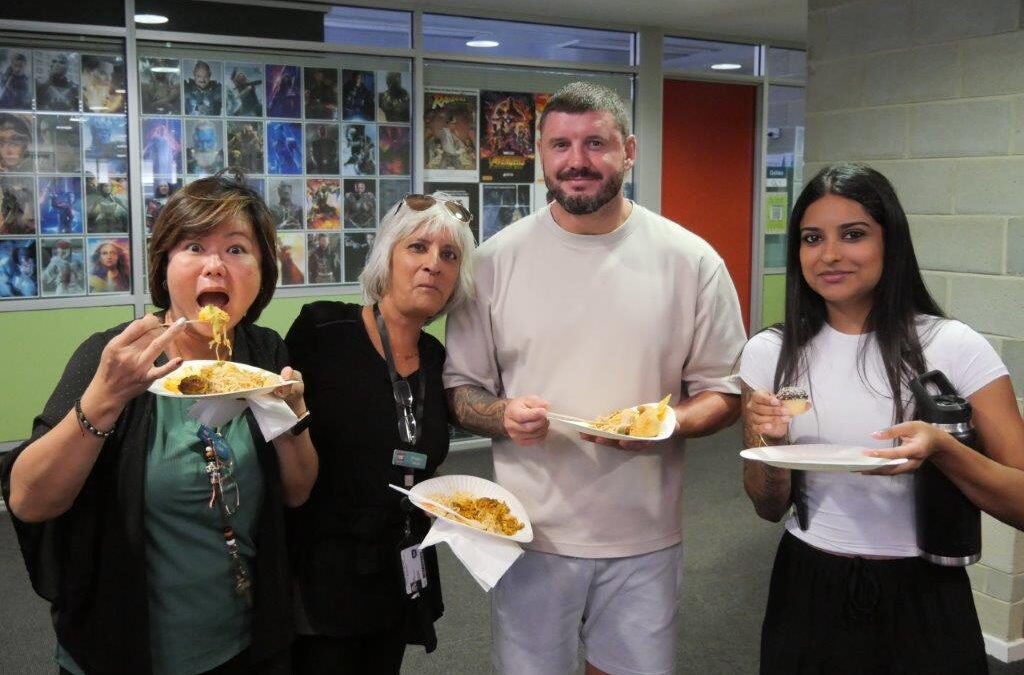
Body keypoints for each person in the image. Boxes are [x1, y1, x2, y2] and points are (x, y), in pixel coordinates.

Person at [443, 81, 746, 675]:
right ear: (541, 155)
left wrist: (665, 423)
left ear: (628, 150)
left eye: (596, 144)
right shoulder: (494, 263)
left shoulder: (691, 261)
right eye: (560, 145)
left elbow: (725, 392)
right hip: (530, 532)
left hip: (645, 535)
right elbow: (460, 390)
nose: (576, 161)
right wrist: (499, 415)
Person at [0, 170, 318, 675]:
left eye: (237, 249)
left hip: (244, 645)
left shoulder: (263, 352)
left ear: (261, 272)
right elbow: (28, 500)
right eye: (193, 246)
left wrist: (293, 417)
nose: (215, 265)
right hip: (126, 648)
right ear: (165, 266)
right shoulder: (118, 355)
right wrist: (106, 398)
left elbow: (297, 491)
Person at [740, 163, 1024, 675]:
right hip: (807, 583)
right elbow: (766, 505)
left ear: (890, 243)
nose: (829, 255)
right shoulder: (770, 353)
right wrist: (770, 447)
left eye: (853, 235)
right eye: (811, 238)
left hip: (924, 590)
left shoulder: (951, 347)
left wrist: (944, 448)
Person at [286, 193, 476, 675]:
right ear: (386, 257)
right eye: (417, 248)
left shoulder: (437, 359)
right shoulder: (323, 330)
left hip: (397, 566)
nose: (433, 264)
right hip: (322, 575)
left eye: (449, 255)